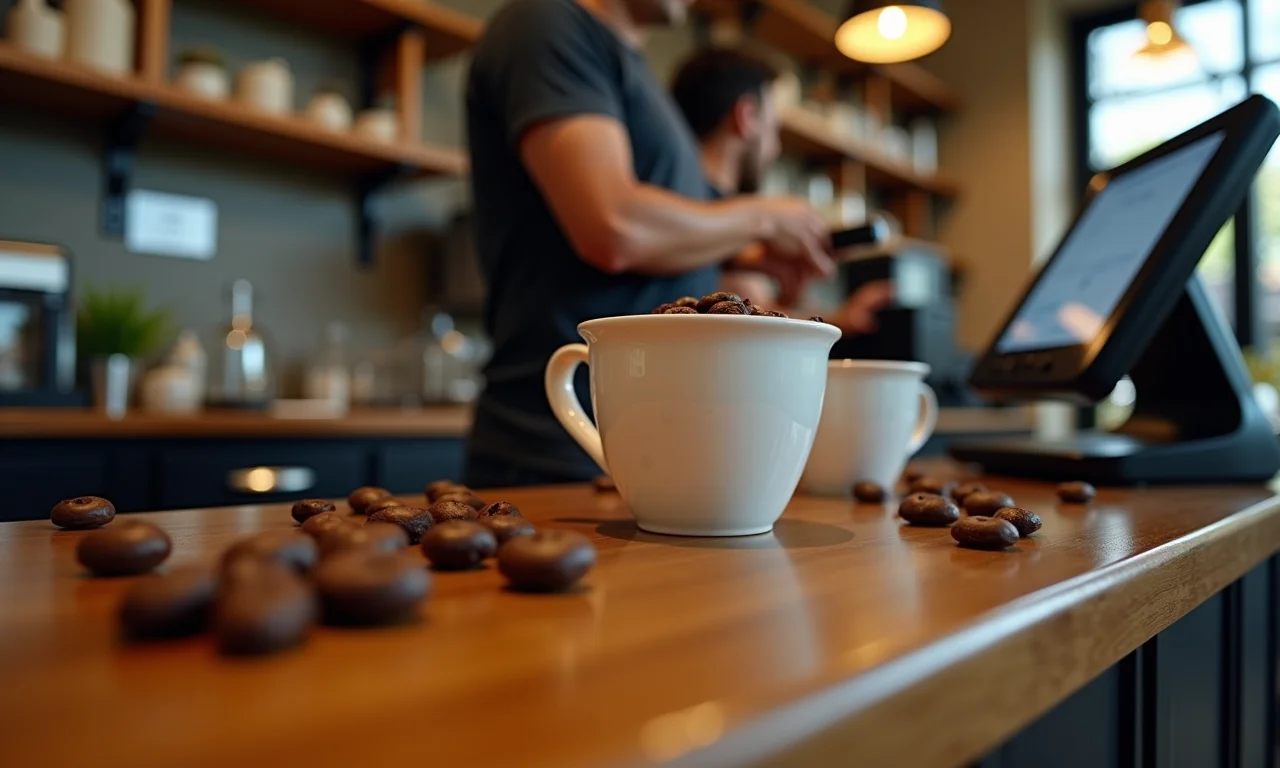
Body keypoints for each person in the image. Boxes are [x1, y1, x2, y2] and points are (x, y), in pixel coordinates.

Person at [463, 0, 836, 488]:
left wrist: (746, 256)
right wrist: (763, 217)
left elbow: (652, 249)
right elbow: (613, 227)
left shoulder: (641, 84)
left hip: (648, 443)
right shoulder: (548, 22)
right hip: (561, 441)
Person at [671, 47, 893, 334]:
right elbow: (747, 316)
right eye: (773, 129)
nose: (775, 149)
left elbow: (754, 309)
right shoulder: (700, 212)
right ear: (746, 116)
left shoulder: (704, 211)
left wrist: (839, 317)